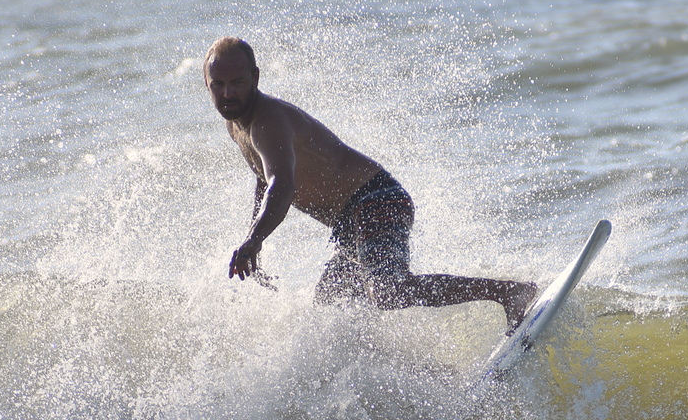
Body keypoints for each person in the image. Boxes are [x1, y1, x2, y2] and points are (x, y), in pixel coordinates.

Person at [204, 37, 537, 330]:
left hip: (376, 199)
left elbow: (282, 186)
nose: (228, 93)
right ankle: (426, 377)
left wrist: (254, 240)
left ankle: (508, 292)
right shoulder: (236, 125)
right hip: (348, 222)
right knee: (333, 315)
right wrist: (253, 240)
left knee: (390, 292)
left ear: (255, 78)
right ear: (207, 85)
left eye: (237, 82)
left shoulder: (269, 121)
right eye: (218, 84)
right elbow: (263, 179)